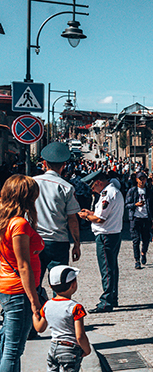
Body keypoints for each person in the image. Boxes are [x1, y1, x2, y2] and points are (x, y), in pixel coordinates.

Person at [0, 175, 44, 371]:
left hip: (7, 287)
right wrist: (34, 301)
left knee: (6, 343)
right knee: (13, 350)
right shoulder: (19, 224)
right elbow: (23, 265)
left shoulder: (4, 220)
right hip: (19, 291)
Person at [34, 142, 82, 289]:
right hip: (58, 241)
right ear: (64, 165)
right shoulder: (66, 187)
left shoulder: (31, 183)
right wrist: (76, 244)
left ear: (44, 163)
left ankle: (35, 311)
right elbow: (72, 219)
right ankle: (59, 310)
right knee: (60, 284)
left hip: (35, 240)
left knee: (34, 282)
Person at [79, 170, 125, 313]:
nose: (93, 191)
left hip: (105, 235)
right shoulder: (113, 191)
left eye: (93, 187)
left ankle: (106, 301)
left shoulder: (107, 195)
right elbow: (102, 214)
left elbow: (100, 219)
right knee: (112, 267)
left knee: (106, 269)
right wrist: (92, 213)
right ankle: (113, 296)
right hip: (114, 233)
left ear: (98, 183)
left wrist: (86, 216)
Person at [32, 266, 91, 372]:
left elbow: (39, 328)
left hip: (53, 348)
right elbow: (80, 335)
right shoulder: (76, 307)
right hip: (70, 350)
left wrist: (35, 316)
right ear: (73, 284)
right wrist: (87, 350)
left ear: (50, 286)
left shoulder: (47, 305)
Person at [125, 172, 153, 269]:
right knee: (136, 240)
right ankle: (137, 260)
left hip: (146, 218)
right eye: (140, 179)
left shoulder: (149, 191)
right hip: (135, 218)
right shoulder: (132, 191)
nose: (141, 181)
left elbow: (152, 206)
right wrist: (135, 204)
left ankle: (143, 252)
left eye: (143, 179)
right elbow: (127, 204)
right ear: (137, 180)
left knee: (146, 239)